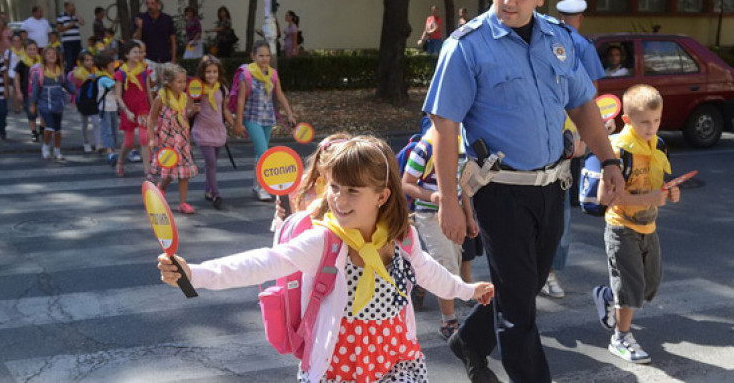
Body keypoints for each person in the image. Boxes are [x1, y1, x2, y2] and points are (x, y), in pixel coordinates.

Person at [422, 0, 626, 382]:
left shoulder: (558, 38)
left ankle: (470, 341)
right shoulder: (467, 45)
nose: (509, 0)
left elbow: (583, 104)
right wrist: (448, 202)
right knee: (519, 311)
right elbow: (444, 127)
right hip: (501, 191)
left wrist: (608, 160)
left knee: (525, 287)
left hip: (553, 188)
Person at [157, 136, 495, 383]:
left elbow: (427, 272)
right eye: (334, 187)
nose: (338, 199)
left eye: (352, 191)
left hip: (395, 362)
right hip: (338, 369)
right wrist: (194, 273)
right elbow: (263, 262)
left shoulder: (401, 236)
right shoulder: (324, 241)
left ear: (382, 196)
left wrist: (466, 289)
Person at [591, 84, 680, 365]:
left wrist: (670, 191)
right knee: (631, 289)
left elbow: (656, 185)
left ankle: (608, 296)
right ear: (627, 120)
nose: (651, 127)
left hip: (648, 227)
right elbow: (604, 197)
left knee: (648, 285)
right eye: (644, 122)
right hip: (621, 228)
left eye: (656, 120)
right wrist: (647, 199)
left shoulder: (658, 145)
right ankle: (620, 338)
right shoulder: (619, 150)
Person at [542, 0, 608, 299]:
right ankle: (547, 272)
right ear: (580, 17)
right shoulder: (581, 45)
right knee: (559, 210)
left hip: (552, 136)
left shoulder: (540, 36)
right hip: (567, 139)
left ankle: (542, 273)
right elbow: (591, 96)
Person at [401, 126, 480, 340]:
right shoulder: (425, 147)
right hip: (429, 215)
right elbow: (405, 184)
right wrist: (432, 196)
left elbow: (463, 186)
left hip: (455, 215)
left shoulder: (462, 143)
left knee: (452, 262)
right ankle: (448, 322)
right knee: (447, 266)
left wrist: (469, 217)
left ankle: (420, 284)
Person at [232, 40, 298, 202]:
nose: (264, 59)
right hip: (251, 118)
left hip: (268, 118)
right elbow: (241, 100)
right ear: (253, 56)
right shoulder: (246, 74)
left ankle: (257, 185)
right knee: (264, 152)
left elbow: (279, 94)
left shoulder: (273, 73)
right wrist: (238, 123)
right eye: (261, 55)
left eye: (267, 55)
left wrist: (289, 113)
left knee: (259, 153)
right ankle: (263, 188)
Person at [148, 63, 199, 214]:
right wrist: (151, 139)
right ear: (168, 83)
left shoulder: (184, 97)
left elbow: (185, 115)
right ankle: (161, 187)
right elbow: (152, 118)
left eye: (184, 81)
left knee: (184, 172)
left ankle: (182, 203)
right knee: (170, 170)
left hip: (182, 138)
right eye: (179, 82)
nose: (183, 85)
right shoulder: (161, 98)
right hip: (167, 139)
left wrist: (193, 111)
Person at [191, 55, 234, 209]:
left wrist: (235, 125)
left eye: (214, 72)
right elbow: (189, 111)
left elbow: (224, 110)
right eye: (208, 72)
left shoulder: (222, 89)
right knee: (211, 162)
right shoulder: (196, 89)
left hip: (218, 131)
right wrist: (192, 110)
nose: (211, 75)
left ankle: (208, 190)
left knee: (211, 164)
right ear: (202, 73)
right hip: (202, 131)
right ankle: (216, 194)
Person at [114, 40, 154, 178]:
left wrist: (154, 108)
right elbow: (118, 96)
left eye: (139, 52)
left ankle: (148, 171)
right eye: (135, 52)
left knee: (144, 138)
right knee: (128, 142)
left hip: (143, 107)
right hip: (128, 109)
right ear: (126, 54)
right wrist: (126, 111)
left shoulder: (144, 70)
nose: (138, 55)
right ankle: (120, 162)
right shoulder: (121, 73)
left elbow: (148, 91)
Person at [30, 46, 75, 160]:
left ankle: (57, 151)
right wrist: (33, 104)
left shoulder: (61, 71)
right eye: (48, 53)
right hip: (45, 104)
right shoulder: (40, 73)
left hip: (58, 103)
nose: (51, 55)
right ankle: (45, 147)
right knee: (49, 127)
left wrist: (76, 91)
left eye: (53, 53)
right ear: (44, 57)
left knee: (58, 130)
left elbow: (67, 84)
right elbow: (35, 90)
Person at [133, 0, 176, 83]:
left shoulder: (167, 19)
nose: (150, 6)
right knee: (151, 86)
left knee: (167, 85)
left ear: (158, 4)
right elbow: (136, 40)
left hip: (165, 58)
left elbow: (173, 40)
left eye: (152, 3)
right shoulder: (141, 18)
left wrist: (173, 59)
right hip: (149, 59)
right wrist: (139, 27)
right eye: (148, 3)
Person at [69, 51, 102, 153]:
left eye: (91, 60)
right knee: (84, 123)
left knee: (96, 122)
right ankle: (86, 142)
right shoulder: (76, 73)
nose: (90, 62)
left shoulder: (96, 72)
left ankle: (98, 143)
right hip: (82, 101)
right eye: (87, 60)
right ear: (81, 62)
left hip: (93, 101)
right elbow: (73, 88)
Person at [93, 54, 121, 167]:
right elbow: (116, 86)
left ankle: (112, 151)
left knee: (114, 130)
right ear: (104, 67)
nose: (113, 67)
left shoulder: (109, 76)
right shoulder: (104, 79)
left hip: (112, 107)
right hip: (105, 109)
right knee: (108, 130)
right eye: (111, 65)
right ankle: (110, 152)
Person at [14, 39, 41, 142]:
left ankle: (42, 129)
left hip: (41, 92)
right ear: (25, 51)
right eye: (30, 49)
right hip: (28, 92)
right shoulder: (22, 63)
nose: (32, 52)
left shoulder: (41, 62)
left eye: (34, 49)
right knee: (31, 113)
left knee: (43, 112)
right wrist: (18, 92)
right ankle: (34, 132)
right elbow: (17, 78)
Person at [57, 1, 85, 73]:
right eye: (71, 5)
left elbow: (82, 23)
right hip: (68, 42)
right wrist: (70, 25)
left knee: (78, 59)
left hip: (77, 41)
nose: (73, 7)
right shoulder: (61, 16)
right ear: (66, 7)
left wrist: (77, 15)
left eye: (73, 5)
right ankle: (68, 75)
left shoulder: (75, 16)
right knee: (69, 60)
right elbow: (59, 29)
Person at [3, 33, 24, 113]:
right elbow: (6, 63)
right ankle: (17, 107)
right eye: (14, 40)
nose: (16, 42)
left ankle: (24, 104)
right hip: (13, 73)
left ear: (21, 41)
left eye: (18, 40)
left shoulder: (25, 50)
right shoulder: (8, 51)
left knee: (24, 89)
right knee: (15, 90)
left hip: (24, 73)